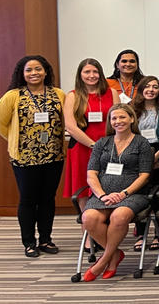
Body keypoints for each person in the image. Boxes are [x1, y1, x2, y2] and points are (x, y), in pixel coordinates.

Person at [0, 55, 66, 257]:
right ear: (22, 73)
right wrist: (16, 139)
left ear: (45, 72)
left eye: (38, 69)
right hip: (24, 157)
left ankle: (46, 240)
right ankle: (29, 242)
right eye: (29, 70)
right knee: (28, 199)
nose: (34, 73)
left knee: (47, 198)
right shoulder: (13, 96)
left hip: (53, 155)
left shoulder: (58, 94)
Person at [79, 104, 154, 282]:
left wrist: (124, 193)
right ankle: (114, 254)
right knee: (88, 218)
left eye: (122, 117)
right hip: (103, 194)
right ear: (110, 122)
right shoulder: (102, 143)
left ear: (131, 119)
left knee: (119, 216)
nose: (118, 121)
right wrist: (102, 195)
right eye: (114, 118)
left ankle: (105, 260)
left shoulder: (141, 143)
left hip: (132, 194)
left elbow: (144, 176)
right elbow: (91, 174)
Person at [63, 58, 120, 246]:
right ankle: (87, 236)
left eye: (95, 72)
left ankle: (106, 230)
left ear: (101, 73)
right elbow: (70, 127)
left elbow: (120, 119)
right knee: (85, 191)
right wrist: (93, 146)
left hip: (110, 148)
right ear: (80, 75)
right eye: (87, 72)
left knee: (109, 186)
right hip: (82, 149)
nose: (91, 76)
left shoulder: (111, 93)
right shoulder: (73, 96)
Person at [132, 76, 159, 251]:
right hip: (137, 154)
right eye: (147, 86)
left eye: (155, 87)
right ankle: (141, 234)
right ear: (141, 89)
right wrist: (145, 159)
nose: (151, 90)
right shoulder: (133, 109)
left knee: (158, 194)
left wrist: (156, 156)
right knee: (141, 195)